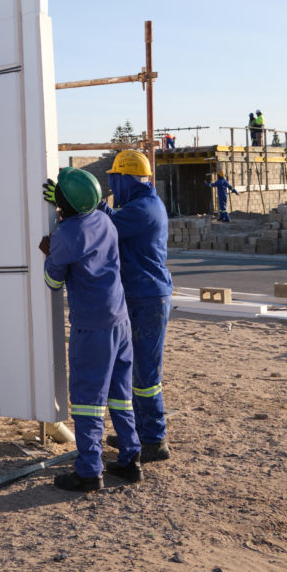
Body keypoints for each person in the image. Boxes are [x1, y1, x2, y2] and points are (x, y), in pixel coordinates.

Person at [39, 167, 143, 492]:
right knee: (120, 395)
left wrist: (51, 249)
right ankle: (130, 459)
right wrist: (65, 205)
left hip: (92, 328)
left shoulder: (67, 237)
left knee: (87, 399)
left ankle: (89, 471)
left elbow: (52, 281)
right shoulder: (104, 220)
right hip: (119, 321)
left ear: (64, 205)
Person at [99, 150, 173, 462]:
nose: (114, 190)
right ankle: (142, 433)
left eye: (115, 182)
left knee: (145, 375)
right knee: (136, 371)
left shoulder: (142, 209)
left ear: (126, 179)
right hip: (142, 297)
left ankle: (154, 441)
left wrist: (82, 200)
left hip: (148, 300)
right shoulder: (143, 203)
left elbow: (107, 225)